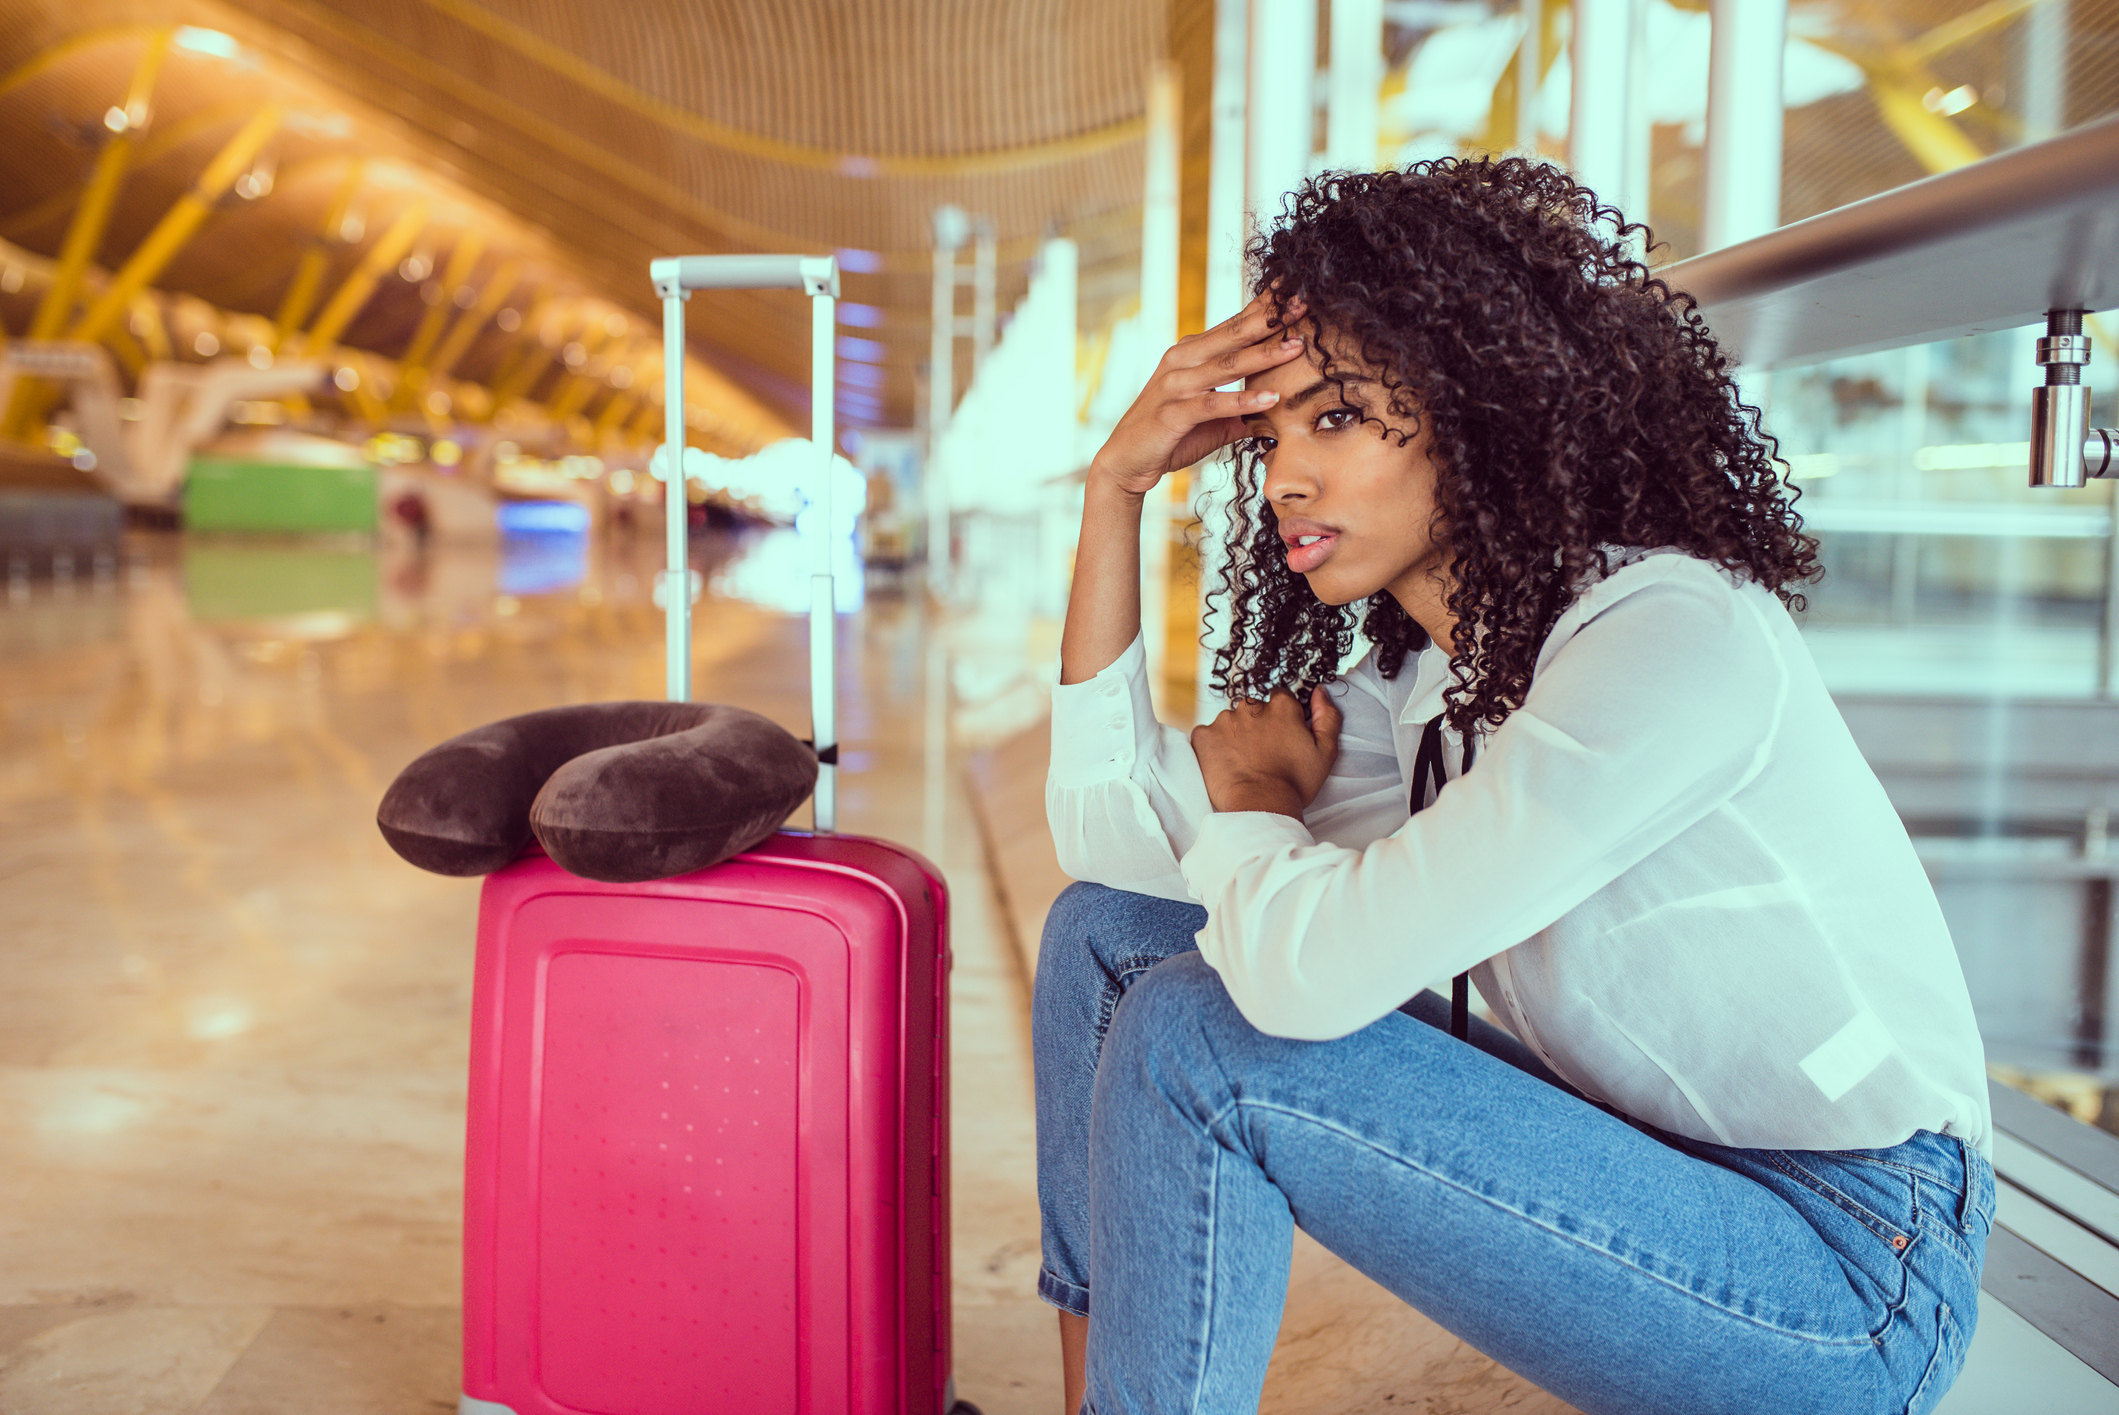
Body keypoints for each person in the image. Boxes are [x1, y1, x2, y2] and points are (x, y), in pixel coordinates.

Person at [1036, 158, 1992, 1415]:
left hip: (1853, 1269)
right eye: (1267, 438)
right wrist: (1115, 489)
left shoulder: (1670, 637)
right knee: (1108, 940)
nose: (1281, 478)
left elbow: (1303, 980)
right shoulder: (1427, 689)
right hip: (1653, 1174)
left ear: (1478, 403)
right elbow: (1102, 835)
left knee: (1202, 1032)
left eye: (1333, 417)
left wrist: (1261, 811)